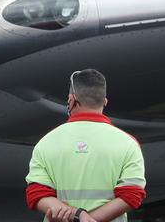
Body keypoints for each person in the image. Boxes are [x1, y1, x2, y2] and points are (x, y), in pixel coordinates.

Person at [25, 70, 146, 222]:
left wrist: (78, 216)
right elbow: (132, 195)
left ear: (71, 99)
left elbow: (36, 194)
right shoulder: (129, 143)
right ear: (105, 101)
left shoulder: (45, 143)